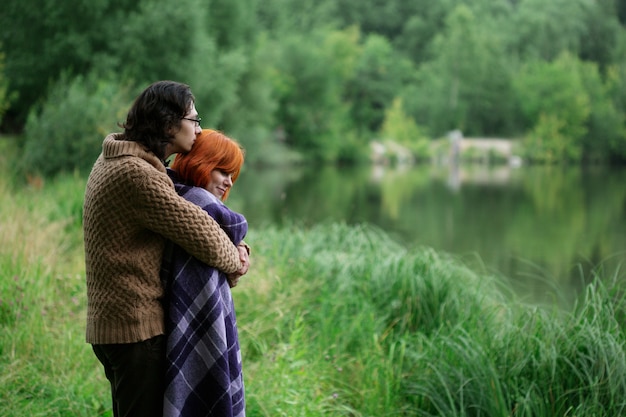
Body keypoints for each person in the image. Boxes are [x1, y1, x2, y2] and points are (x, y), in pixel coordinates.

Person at [83, 81, 250, 417]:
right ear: (168, 123)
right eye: (194, 120)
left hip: (114, 327)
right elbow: (201, 232)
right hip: (136, 330)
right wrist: (238, 260)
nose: (198, 129)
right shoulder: (136, 174)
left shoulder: (115, 159)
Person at [161, 129, 249, 417]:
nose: (228, 181)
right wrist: (237, 258)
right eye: (222, 170)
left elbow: (226, 244)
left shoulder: (188, 200)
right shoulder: (188, 204)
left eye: (232, 174)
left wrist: (239, 249)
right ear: (199, 163)